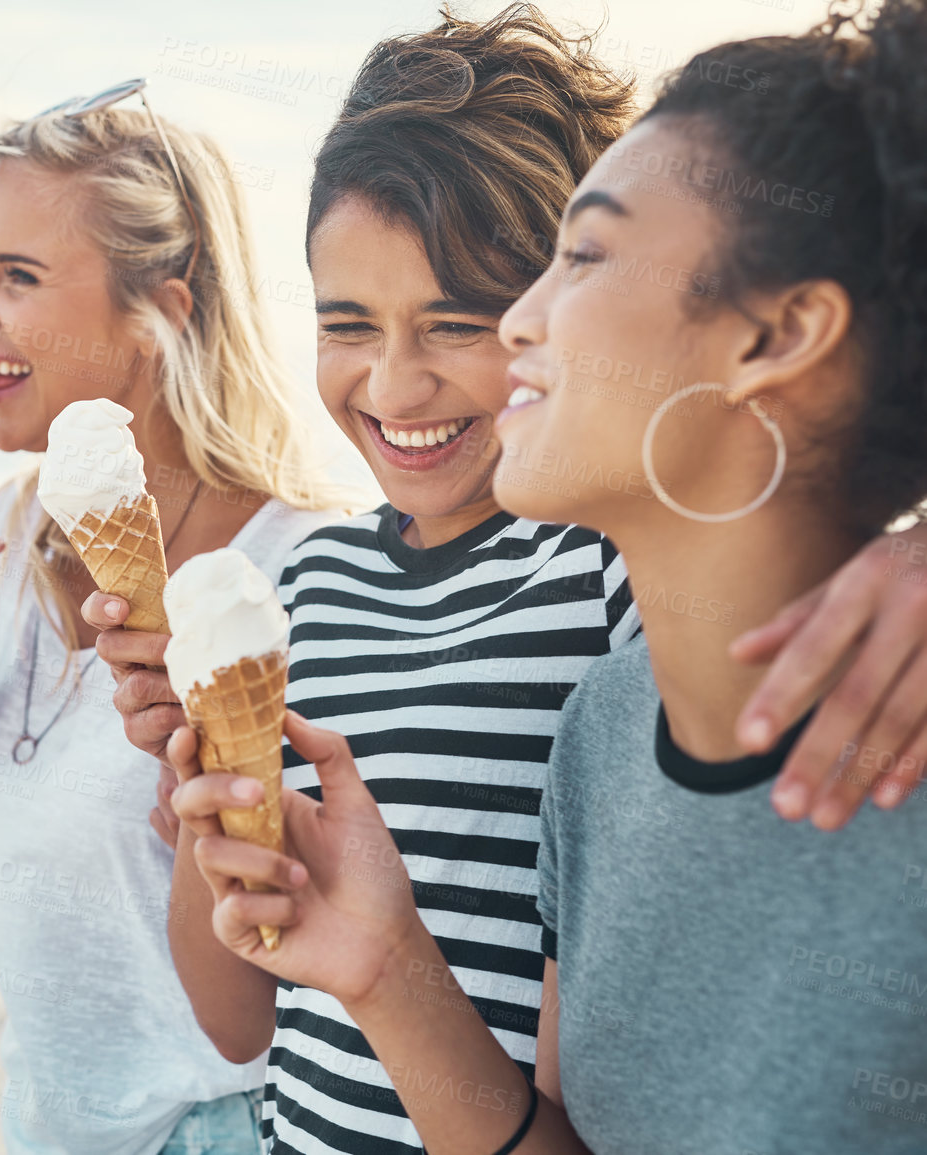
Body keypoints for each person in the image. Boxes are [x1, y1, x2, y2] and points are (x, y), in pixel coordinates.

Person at [87, 7, 927, 1152]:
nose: (403, 376)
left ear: (778, 334)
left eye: (572, 263)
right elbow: (257, 1013)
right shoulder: (602, 736)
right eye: (349, 324)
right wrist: (327, 911)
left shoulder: (622, 594)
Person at [0, 83, 345, 1155]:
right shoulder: (19, 541)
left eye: (19, 278)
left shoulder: (298, 572)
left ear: (161, 313)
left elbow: (268, 993)